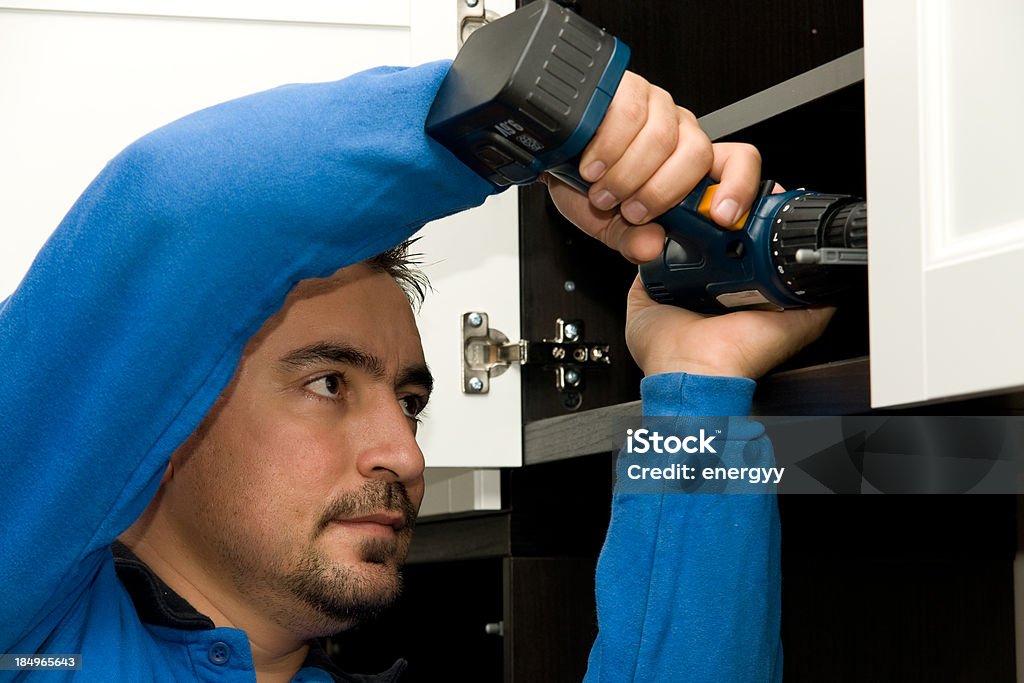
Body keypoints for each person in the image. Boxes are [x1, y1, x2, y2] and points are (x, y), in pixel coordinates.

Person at [0, 59, 831, 682]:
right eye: (328, 382)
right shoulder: (35, 637)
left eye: (409, 400)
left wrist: (697, 388)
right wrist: (538, 114)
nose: (403, 453)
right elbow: (175, 210)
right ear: (166, 417)